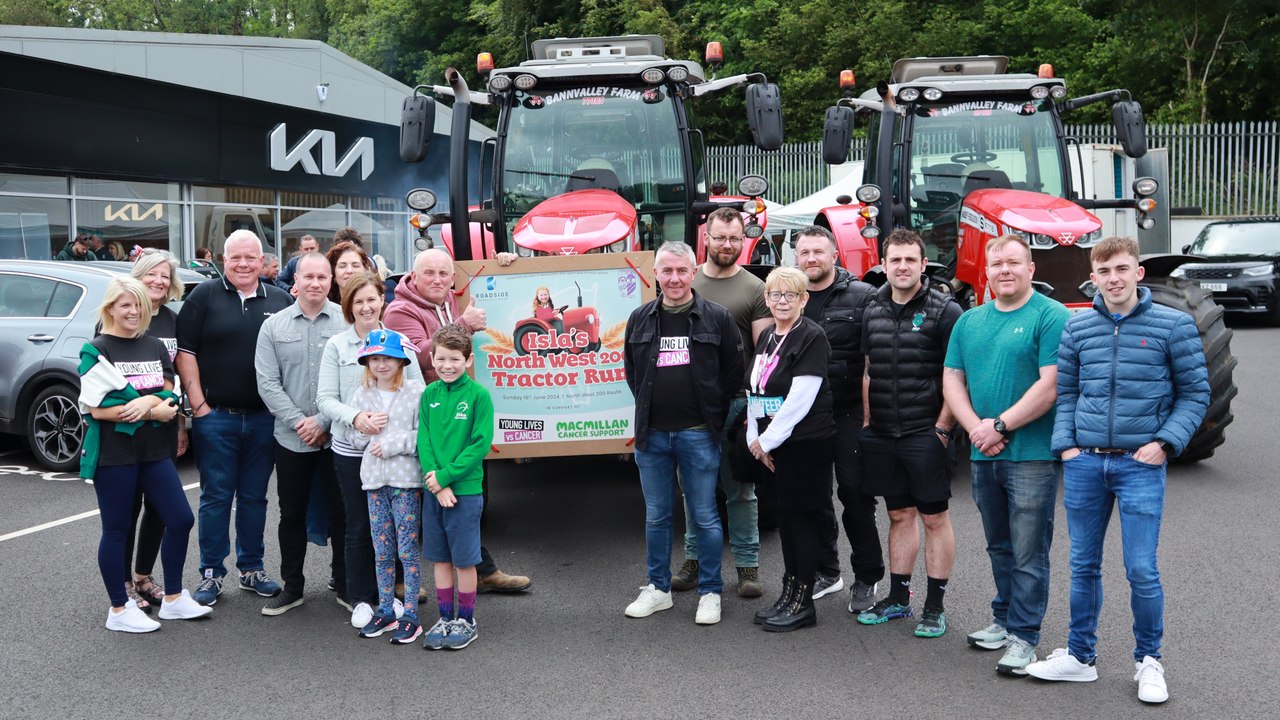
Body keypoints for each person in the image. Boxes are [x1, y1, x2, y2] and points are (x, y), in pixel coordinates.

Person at [1026, 236, 1209, 704]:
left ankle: (1149, 661)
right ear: (1094, 275)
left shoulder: (1174, 325)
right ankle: (1081, 658)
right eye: (1105, 272)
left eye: (1122, 269)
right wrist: (1067, 448)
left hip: (1139, 466)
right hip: (1086, 463)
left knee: (1141, 569)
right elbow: (1066, 394)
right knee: (1083, 565)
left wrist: (1165, 443)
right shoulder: (1078, 327)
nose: (1114, 279)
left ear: (1138, 272)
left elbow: (1195, 394)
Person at [942, 234, 1071, 675]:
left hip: (1031, 454)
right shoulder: (969, 322)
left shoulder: (1050, 317)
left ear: (1031, 269)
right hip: (985, 454)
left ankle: (1026, 636)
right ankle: (1003, 618)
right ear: (987, 272)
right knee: (999, 545)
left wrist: (999, 425)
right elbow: (953, 380)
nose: (1005, 271)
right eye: (997, 265)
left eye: (1014, 263)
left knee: (1029, 549)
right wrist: (978, 430)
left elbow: (1050, 385)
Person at [385, 248, 532, 594]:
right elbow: (419, 354)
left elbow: (487, 281)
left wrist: (504, 262)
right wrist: (463, 324)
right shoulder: (398, 311)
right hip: (424, 418)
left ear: (452, 278)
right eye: (429, 273)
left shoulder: (452, 299)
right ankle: (403, 579)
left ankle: (479, 568)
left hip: (460, 414)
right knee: (415, 505)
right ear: (414, 276)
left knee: (468, 503)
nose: (437, 280)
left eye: (443, 274)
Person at [79, 277, 211, 632]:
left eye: (137, 304)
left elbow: (170, 392)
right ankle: (119, 611)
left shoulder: (153, 345)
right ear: (110, 309)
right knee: (117, 529)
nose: (133, 311)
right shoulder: (97, 350)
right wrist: (153, 410)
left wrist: (148, 401)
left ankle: (172, 600)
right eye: (125, 305)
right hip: (115, 453)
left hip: (155, 450)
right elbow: (96, 409)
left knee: (180, 518)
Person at [622, 241, 743, 626]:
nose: (674, 278)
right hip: (652, 436)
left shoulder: (717, 317)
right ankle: (658, 589)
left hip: (697, 434)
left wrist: (713, 416)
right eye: (666, 270)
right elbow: (632, 374)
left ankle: (710, 591)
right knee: (656, 516)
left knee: (705, 515)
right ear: (655, 274)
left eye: (681, 271)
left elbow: (732, 372)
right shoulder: (639, 318)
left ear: (693, 273)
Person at [856, 228, 963, 638]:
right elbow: (868, 369)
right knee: (899, 514)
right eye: (894, 260)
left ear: (923, 264)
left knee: (934, 518)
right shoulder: (873, 308)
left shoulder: (944, 309)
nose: (901, 267)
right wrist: (868, 423)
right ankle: (899, 600)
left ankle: (934, 607)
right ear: (884, 265)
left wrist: (941, 429)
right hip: (882, 433)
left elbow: (957, 375)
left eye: (909, 260)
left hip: (925, 432)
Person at [176, 229, 293, 606]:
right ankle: (211, 572)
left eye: (251, 258)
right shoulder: (203, 297)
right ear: (223, 260)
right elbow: (185, 352)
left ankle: (252, 568)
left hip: (264, 418)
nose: (243, 264)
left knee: (255, 497)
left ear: (262, 261)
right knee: (215, 497)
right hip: (217, 417)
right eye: (235, 258)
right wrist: (199, 408)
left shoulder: (279, 298)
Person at [671, 206, 771, 599]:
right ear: (706, 239)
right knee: (693, 490)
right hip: (689, 408)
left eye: (734, 238)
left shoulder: (753, 289)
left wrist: (755, 410)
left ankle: (748, 568)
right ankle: (694, 561)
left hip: (735, 406)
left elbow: (762, 354)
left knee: (741, 490)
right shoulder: (683, 281)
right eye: (720, 237)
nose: (727, 244)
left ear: (742, 241)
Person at [318, 271, 426, 628]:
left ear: (383, 300)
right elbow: (325, 399)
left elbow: (419, 397)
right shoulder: (338, 346)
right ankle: (360, 597)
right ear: (348, 306)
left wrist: (396, 440)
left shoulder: (400, 343)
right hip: (354, 451)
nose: (365, 306)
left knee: (399, 530)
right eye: (357, 301)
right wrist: (357, 417)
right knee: (359, 525)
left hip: (400, 458)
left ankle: (393, 597)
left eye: (371, 299)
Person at [254, 252, 349, 616]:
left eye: (322, 277)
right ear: (295, 281)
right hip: (291, 438)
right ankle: (292, 587)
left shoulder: (346, 321)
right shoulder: (274, 327)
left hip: (337, 436)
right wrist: (300, 423)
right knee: (290, 514)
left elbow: (354, 380)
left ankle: (344, 584)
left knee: (343, 514)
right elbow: (267, 382)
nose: (315, 283)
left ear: (331, 281)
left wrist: (323, 422)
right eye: (308, 277)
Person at [794, 225, 883, 612]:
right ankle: (827, 573)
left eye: (819, 251)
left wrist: (870, 417)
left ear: (834, 255)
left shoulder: (863, 296)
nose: (811, 258)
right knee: (812, 498)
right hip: (805, 416)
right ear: (796, 258)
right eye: (804, 252)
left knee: (856, 495)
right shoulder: (789, 297)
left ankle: (867, 577)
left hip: (848, 413)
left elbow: (873, 361)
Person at [745, 267, 835, 632]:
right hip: (774, 444)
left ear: (804, 300)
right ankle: (789, 591)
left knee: (802, 520)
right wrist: (755, 438)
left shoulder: (812, 337)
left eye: (791, 295)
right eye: (776, 295)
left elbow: (799, 400)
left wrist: (765, 442)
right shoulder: (767, 336)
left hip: (805, 443)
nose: (782, 302)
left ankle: (803, 601)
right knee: (785, 520)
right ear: (766, 298)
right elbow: (755, 389)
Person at [346, 329, 427, 644]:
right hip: (374, 481)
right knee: (381, 550)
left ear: (401, 360)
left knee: (407, 550)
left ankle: (411, 614)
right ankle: (385, 610)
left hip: (405, 481)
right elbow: (352, 439)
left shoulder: (416, 391)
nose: (381, 364)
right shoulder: (361, 394)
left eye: (388, 358)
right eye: (375, 359)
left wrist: (393, 442)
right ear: (367, 362)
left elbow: (423, 436)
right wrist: (363, 426)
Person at [120, 251, 190, 612]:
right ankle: (123, 583)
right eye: (152, 274)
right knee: (126, 509)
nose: (159, 281)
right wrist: (150, 407)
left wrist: (180, 425)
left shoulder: (171, 320)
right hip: (129, 429)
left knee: (161, 508)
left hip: (164, 426)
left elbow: (173, 378)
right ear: (139, 276)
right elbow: (113, 382)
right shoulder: (122, 315)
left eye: (165, 276)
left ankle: (144, 576)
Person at [419, 325, 494, 650]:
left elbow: (479, 445)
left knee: (464, 560)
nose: (447, 365)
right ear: (432, 358)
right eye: (441, 359)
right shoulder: (429, 394)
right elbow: (424, 442)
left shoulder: (479, 396)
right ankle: (445, 617)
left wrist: (446, 478)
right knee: (439, 559)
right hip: (434, 490)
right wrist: (435, 483)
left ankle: (466, 619)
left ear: (468, 359)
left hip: (463, 491)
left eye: (454, 359)